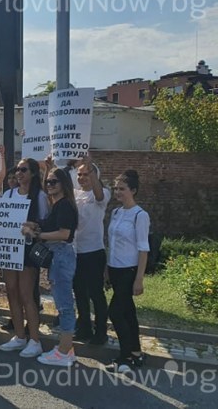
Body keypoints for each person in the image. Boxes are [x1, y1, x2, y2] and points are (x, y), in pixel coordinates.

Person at [23, 168, 79, 366]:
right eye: (47, 182)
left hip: (61, 254)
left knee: (64, 305)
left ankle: (64, 351)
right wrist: (35, 225)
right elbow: (49, 226)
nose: (49, 185)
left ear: (64, 183)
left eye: (53, 182)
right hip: (58, 255)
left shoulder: (64, 206)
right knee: (62, 303)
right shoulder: (58, 205)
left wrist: (38, 235)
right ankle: (65, 348)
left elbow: (64, 233)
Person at [0, 158, 49, 358]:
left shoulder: (40, 197)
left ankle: (35, 340)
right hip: (9, 249)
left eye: (24, 170)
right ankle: (19, 336)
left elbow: (44, 224)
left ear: (33, 173)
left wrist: (32, 227)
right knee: (11, 291)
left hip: (27, 250)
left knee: (26, 294)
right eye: (17, 170)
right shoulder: (8, 194)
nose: (19, 173)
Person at [105, 170, 149, 373]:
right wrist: (107, 269)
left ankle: (125, 357)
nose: (118, 192)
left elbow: (143, 248)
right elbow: (111, 243)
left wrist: (139, 279)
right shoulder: (116, 212)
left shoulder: (140, 215)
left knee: (114, 311)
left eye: (122, 189)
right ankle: (137, 353)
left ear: (133, 190)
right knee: (128, 312)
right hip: (114, 268)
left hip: (128, 270)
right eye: (116, 188)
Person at [73, 155, 111, 345]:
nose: (82, 178)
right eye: (80, 174)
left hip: (94, 252)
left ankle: (101, 332)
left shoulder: (103, 193)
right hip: (76, 251)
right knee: (79, 292)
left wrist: (90, 166)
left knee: (96, 293)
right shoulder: (75, 193)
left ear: (95, 175)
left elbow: (99, 196)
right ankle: (84, 328)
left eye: (86, 174)